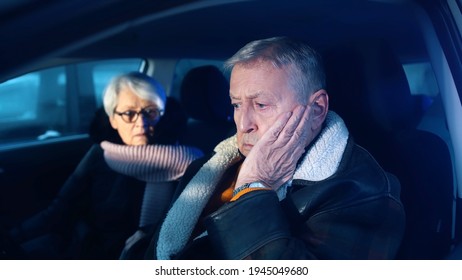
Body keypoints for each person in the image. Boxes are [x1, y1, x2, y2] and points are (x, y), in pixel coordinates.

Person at [152, 37, 405, 260]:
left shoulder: (363, 192)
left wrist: (254, 186)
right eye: (237, 104)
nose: (242, 123)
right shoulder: (209, 165)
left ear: (317, 109)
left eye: (261, 104)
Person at [6, 72, 203, 259]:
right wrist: (12, 238)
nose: (141, 123)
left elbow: (189, 225)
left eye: (150, 112)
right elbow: (60, 210)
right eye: (128, 113)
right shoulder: (101, 154)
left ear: (162, 113)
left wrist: (149, 234)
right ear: (113, 119)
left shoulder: (187, 161)